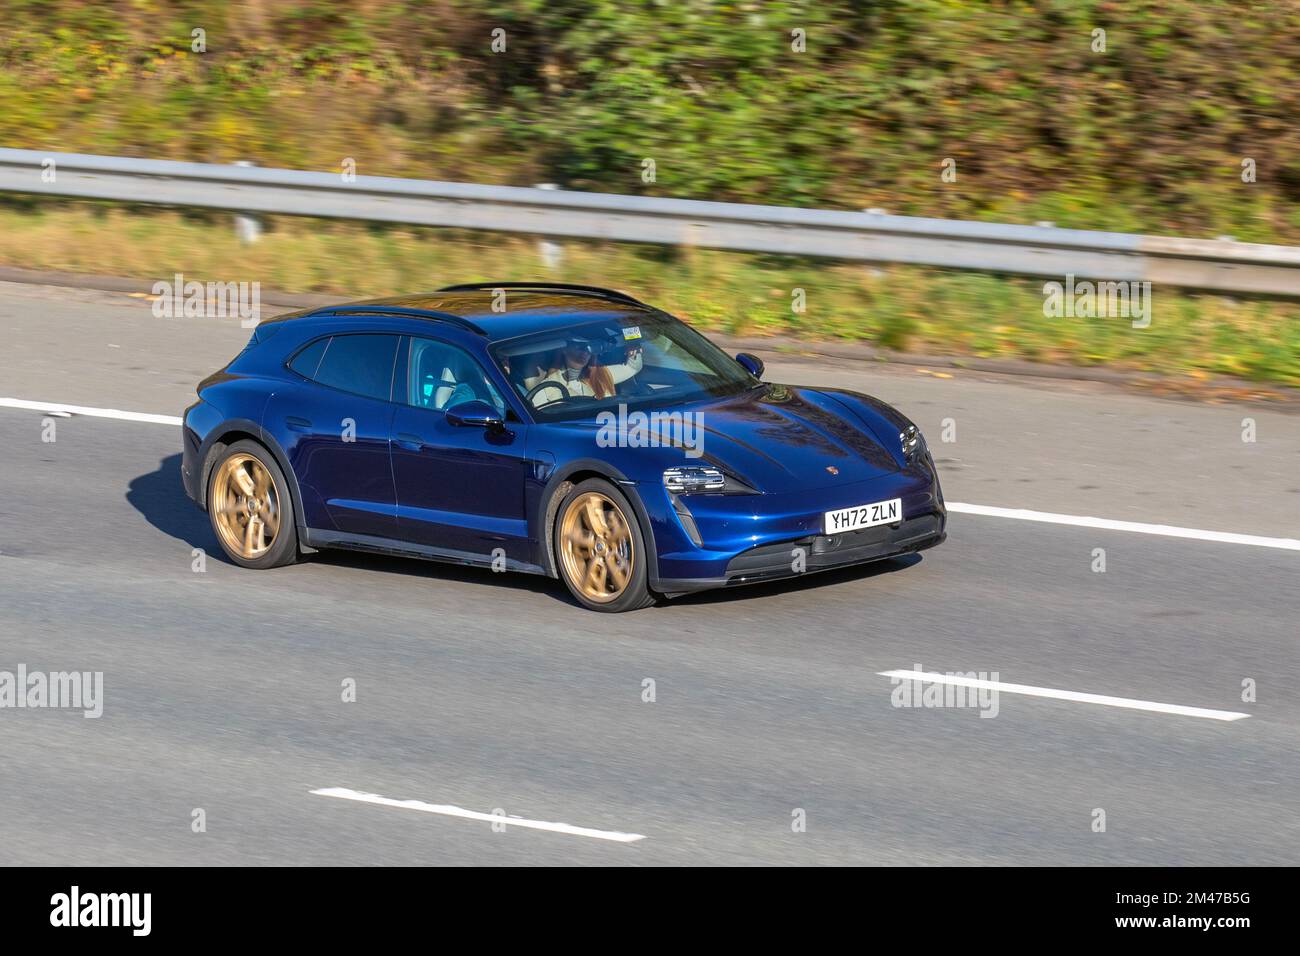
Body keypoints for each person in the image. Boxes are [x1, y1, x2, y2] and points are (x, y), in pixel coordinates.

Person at [523, 335, 643, 405]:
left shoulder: (601, 373)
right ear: (564, 350)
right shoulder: (546, 389)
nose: (585, 352)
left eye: (589, 347)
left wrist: (633, 347)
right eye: (579, 347)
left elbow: (632, 367)